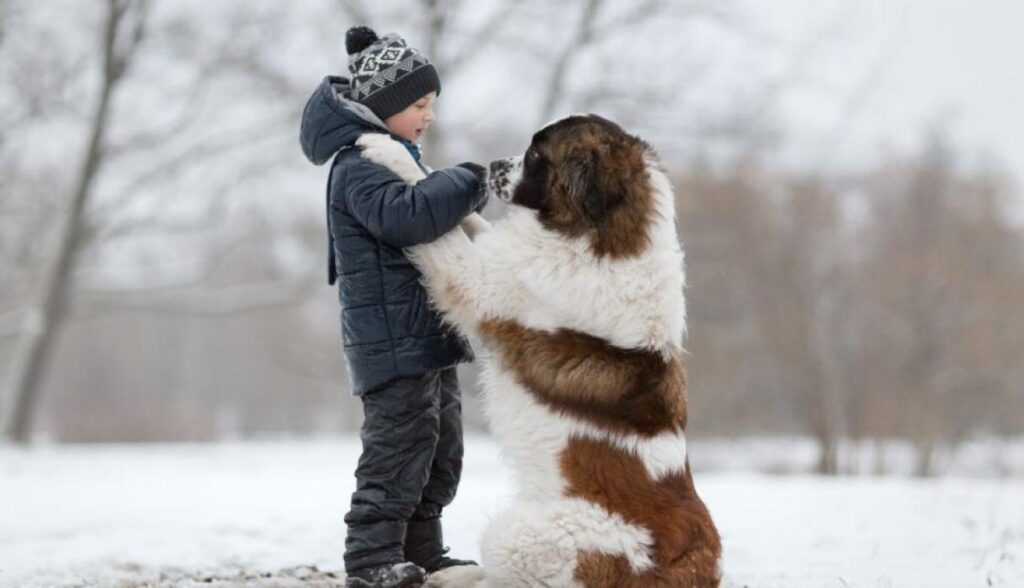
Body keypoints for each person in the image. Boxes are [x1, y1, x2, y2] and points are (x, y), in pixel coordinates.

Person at [299, 25, 486, 588]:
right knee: (396, 450)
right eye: (419, 104)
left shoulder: (396, 159)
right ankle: (371, 557)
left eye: (432, 104)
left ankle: (422, 550)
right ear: (386, 105)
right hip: (390, 342)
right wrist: (469, 181)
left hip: (424, 337)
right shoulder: (361, 165)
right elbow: (408, 216)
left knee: (440, 448)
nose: (428, 115)